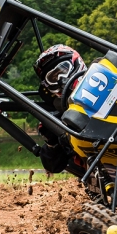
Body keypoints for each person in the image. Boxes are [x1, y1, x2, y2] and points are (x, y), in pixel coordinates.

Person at [33, 44, 87, 174]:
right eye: (53, 78)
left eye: (63, 70)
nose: (61, 79)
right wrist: (52, 143)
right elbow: (53, 166)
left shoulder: (106, 76)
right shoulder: (59, 118)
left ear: (75, 63)